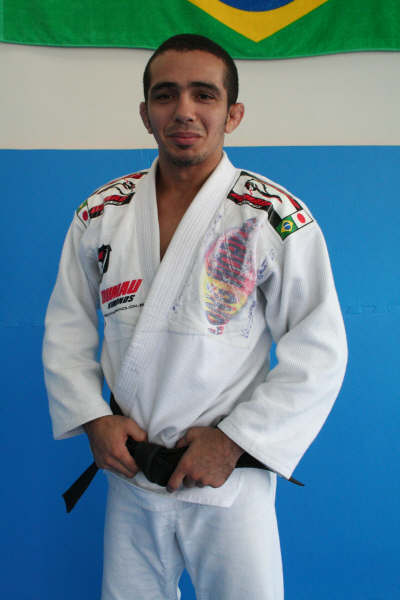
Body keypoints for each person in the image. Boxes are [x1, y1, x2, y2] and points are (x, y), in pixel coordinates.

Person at [43, 34, 347, 600]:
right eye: (166, 95)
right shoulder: (100, 213)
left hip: (226, 480)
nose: (183, 110)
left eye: (204, 95)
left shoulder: (272, 216)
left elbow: (319, 348)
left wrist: (234, 441)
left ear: (233, 114)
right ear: (145, 114)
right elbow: (66, 328)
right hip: (131, 471)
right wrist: (93, 418)